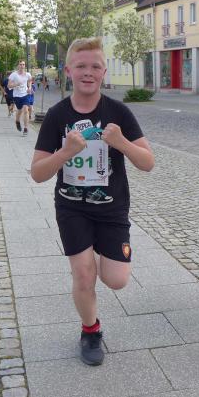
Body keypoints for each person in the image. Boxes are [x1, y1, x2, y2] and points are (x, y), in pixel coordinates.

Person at [31, 37, 154, 366]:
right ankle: (90, 330)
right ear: (68, 71)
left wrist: (122, 142)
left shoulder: (118, 112)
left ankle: (99, 253)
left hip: (112, 208)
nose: (88, 72)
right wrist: (65, 152)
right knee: (84, 275)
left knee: (116, 279)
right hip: (72, 208)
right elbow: (38, 173)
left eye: (95, 66)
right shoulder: (57, 115)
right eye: (81, 66)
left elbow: (147, 163)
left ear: (104, 72)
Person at [8, 61, 31, 136]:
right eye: (20, 64)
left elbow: (30, 81)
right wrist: (16, 84)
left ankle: (26, 128)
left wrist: (29, 88)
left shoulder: (27, 74)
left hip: (25, 94)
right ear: (18, 65)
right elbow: (9, 85)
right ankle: (17, 121)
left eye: (23, 64)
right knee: (19, 110)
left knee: (26, 110)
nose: (22, 66)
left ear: (25, 65)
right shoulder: (13, 75)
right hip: (17, 96)